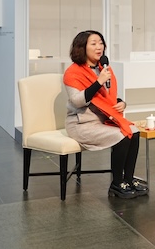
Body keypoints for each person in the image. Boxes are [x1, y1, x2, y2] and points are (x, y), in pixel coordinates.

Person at [63, 30, 148, 198]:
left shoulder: (103, 69)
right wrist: (98, 82)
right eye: (93, 44)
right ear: (82, 47)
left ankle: (128, 179)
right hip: (81, 123)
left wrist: (121, 103)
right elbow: (77, 101)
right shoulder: (73, 72)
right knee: (123, 135)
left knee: (134, 132)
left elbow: (108, 97)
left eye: (101, 43)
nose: (99, 47)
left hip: (103, 120)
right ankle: (117, 183)